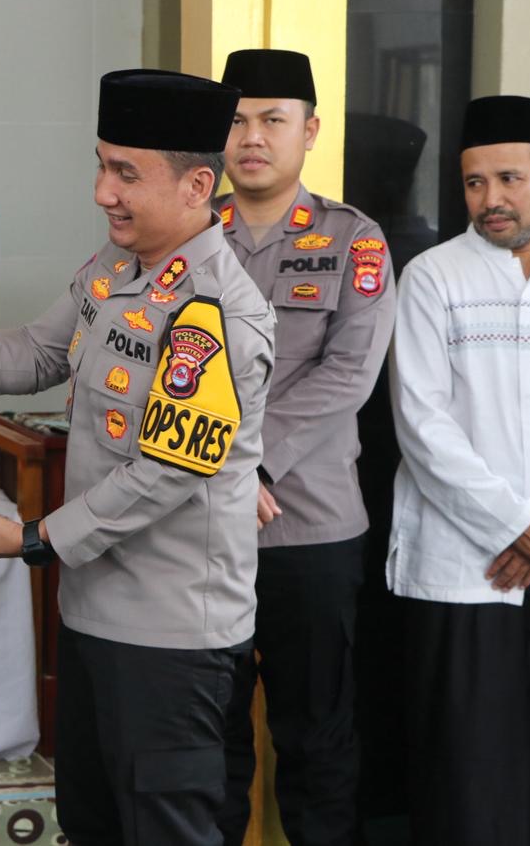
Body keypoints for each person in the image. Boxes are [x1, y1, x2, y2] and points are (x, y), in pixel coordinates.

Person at [0, 70, 276, 845]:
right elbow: (41, 349)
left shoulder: (220, 309)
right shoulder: (117, 265)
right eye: (101, 164)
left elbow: (166, 474)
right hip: (94, 617)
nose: (103, 191)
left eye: (126, 173)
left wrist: (32, 539)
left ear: (198, 183)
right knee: (93, 823)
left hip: (172, 643)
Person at [388, 95, 530, 846]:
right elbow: (422, 425)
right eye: (474, 183)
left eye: (509, 179)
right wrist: (515, 523)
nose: (491, 200)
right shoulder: (429, 277)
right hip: (462, 568)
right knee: (464, 771)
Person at [212, 49, 396, 846]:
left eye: (273, 119)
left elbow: (348, 375)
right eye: (238, 120)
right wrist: (220, 475)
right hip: (199, 529)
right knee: (208, 742)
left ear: (310, 130)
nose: (253, 137)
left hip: (310, 528)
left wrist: (244, 462)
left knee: (317, 738)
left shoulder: (354, 240)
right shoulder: (183, 234)